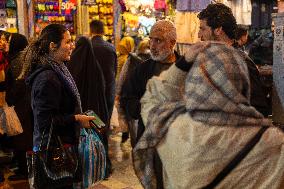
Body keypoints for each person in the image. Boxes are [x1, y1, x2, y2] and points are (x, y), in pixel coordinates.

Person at [136, 41, 284, 189]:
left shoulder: (173, 128)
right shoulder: (274, 143)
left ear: (195, 81)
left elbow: (153, 97)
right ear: (242, 81)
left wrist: (183, 63)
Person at [20, 24, 95, 188]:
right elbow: (45, 121)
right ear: (52, 46)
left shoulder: (58, 69)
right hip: (53, 151)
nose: (72, 46)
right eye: (67, 42)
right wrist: (76, 119)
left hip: (59, 145)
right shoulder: (48, 77)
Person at [120, 20, 188, 189]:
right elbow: (127, 98)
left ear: (172, 43)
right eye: (151, 39)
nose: (152, 45)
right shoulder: (142, 70)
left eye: (158, 40)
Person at [197, 3, 270, 116]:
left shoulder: (242, 64)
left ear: (218, 30)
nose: (199, 35)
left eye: (202, 29)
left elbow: (259, 110)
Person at [68, 36, 112, 178]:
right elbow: (103, 89)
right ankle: (99, 166)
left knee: (79, 140)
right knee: (96, 138)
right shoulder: (95, 66)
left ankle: (80, 167)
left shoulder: (72, 65)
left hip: (78, 112)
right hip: (95, 110)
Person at [5, 33, 31, 181]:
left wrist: (10, 98)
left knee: (21, 137)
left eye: (10, 42)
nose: (7, 44)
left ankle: (24, 170)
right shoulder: (24, 57)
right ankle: (23, 167)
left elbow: (19, 83)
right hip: (25, 105)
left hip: (21, 106)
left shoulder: (17, 60)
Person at [117, 38, 150, 145]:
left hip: (132, 101)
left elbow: (122, 77)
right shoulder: (156, 61)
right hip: (149, 103)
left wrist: (118, 93)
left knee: (134, 132)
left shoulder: (131, 59)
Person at [90, 20, 117, 122]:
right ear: (103, 31)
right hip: (108, 90)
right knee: (106, 121)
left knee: (94, 123)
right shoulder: (111, 48)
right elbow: (114, 70)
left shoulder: (88, 48)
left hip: (93, 92)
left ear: (91, 30)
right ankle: (105, 136)